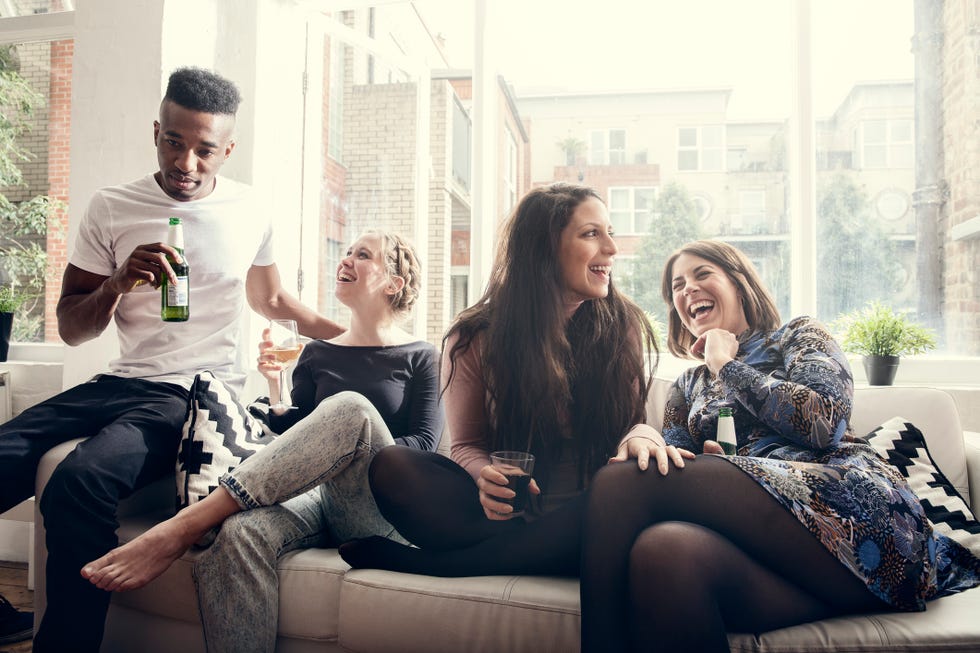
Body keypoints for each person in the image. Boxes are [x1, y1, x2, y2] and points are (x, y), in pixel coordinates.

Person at [0, 67, 344, 653]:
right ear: (155, 132)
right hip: (116, 380)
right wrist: (117, 282)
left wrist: (369, 338)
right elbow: (71, 326)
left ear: (227, 150)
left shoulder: (249, 209)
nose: (186, 163)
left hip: (188, 393)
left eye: (204, 150)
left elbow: (273, 301)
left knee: (78, 481)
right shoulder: (111, 206)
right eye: (173, 143)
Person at [579, 240, 980, 653]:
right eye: (677, 287)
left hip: (857, 509)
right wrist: (712, 471)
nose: (688, 290)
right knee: (664, 552)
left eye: (702, 275)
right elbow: (677, 464)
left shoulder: (798, 336)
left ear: (740, 283)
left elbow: (824, 423)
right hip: (791, 555)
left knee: (622, 483)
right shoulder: (687, 387)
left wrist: (725, 364)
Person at [80, 230, 443, 652]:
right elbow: (302, 436)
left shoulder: (421, 355)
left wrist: (357, 448)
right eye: (345, 251)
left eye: (362, 255)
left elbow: (425, 443)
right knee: (238, 533)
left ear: (393, 283)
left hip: (380, 507)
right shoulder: (318, 353)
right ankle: (214, 520)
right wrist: (276, 391)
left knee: (352, 409)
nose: (346, 259)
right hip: (319, 499)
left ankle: (183, 527)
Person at [338, 182, 668, 579]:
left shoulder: (621, 327)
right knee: (392, 465)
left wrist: (646, 435)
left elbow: (633, 427)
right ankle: (531, 551)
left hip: (593, 516)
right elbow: (465, 446)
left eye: (609, 232)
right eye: (592, 233)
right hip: (503, 518)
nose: (612, 249)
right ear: (544, 247)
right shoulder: (475, 336)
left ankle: (442, 565)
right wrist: (484, 476)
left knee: (630, 488)